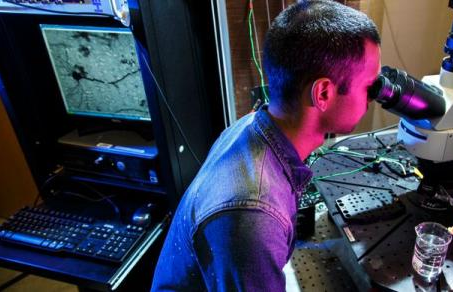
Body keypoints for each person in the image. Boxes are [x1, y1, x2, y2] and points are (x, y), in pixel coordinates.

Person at [151, 0, 381, 291]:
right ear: (323, 92)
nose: (374, 97)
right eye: (369, 86)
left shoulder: (251, 126)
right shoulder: (255, 215)